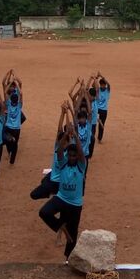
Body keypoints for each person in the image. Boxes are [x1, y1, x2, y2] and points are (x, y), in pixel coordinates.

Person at [38, 103, 86, 262]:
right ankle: (60, 226)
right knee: (44, 212)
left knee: (73, 233)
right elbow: (59, 150)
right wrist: (66, 135)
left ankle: (67, 259)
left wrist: (75, 136)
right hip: (61, 198)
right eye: (69, 155)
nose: (71, 157)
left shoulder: (81, 166)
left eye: (74, 156)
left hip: (75, 204)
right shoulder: (63, 162)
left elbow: (80, 152)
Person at [30, 107, 67, 200]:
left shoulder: (69, 152)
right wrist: (63, 113)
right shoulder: (58, 147)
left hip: (58, 182)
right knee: (39, 186)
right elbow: (59, 130)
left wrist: (65, 113)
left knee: (35, 194)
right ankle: (51, 193)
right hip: (52, 177)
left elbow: (69, 133)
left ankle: (54, 193)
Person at [3, 72, 24, 165]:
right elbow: (21, 93)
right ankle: (12, 161)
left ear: (11, 99)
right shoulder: (19, 106)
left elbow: (5, 92)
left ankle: (9, 152)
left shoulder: (8, 104)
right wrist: (15, 81)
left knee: (7, 141)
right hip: (16, 128)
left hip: (8, 126)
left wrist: (11, 82)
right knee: (15, 144)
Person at [95, 72, 111, 143]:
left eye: (104, 85)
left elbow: (109, 84)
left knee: (102, 125)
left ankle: (99, 139)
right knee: (92, 121)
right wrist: (96, 77)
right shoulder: (98, 90)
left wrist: (101, 75)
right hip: (97, 108)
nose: (102, 86)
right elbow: (94, 85)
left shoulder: (107, 90)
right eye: (101, 85)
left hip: (104, 110)